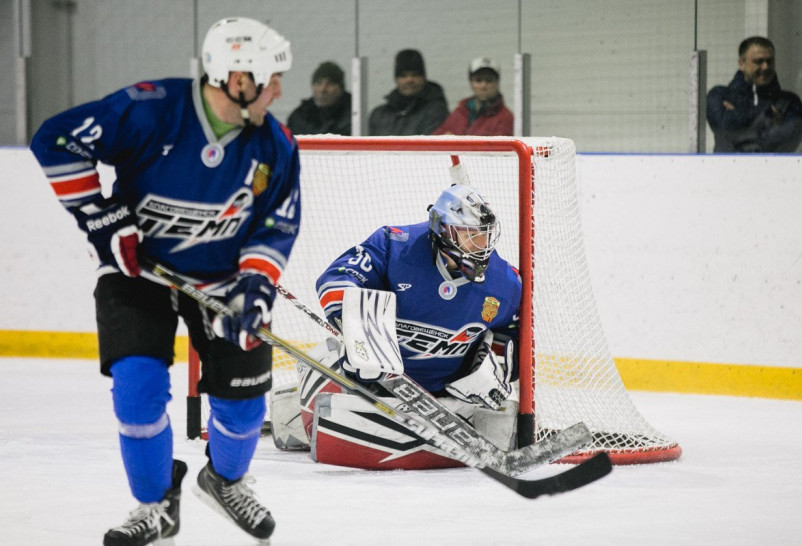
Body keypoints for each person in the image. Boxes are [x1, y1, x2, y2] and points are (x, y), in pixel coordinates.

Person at [29, 17, 301, 545]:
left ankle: (224, 481)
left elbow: (278, 223)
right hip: (139, 271)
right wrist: (102, 219)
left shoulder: (275, 145)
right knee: (136, 389)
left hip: (223, 280)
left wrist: (256, 286)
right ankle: (155, 505)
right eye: (271, 80)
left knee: (244, 405)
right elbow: (56, 139)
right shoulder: (151, 109)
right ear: (238, 79)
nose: (278, 91)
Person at [282, 184, 521, 470]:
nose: (480, 246)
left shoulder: (505, 283)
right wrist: (358, 329)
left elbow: (513, 334)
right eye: (469, 236)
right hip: (371, 386)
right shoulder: (396, 245)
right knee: (323, 362)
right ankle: (291, 408)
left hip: (448, 396)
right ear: (443, 230)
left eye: (483, 236)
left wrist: (497, 370)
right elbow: (337, 277)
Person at [707, 36, 802, 153]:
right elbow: (723, 128)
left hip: (771, 165)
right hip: (727, 165)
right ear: (741, 64)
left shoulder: (790, 102)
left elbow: (787, 140)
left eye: (769, 61)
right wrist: (767, 114)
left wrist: (737, 115)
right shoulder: (719, 95)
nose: (765, 67)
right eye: (758, 61)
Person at [368, 48, 449, 136]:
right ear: (396, 79)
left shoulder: (436, 111)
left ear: (423, 78)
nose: (409, 80)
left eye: (415, 75)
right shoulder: (379, 115)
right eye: (403, 76)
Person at [434, 57, 513, 136]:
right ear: (471, 83)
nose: (483, 86)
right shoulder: (460, 111)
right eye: (478, 80)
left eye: (489, 80)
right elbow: (435, 137)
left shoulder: (505, 118)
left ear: (497, 83)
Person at [287, 61, 352, 135]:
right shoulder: (300, 116)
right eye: (319, 83)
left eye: (330, 84)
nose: (322, 89)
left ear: (340, 88)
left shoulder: (354, 114)